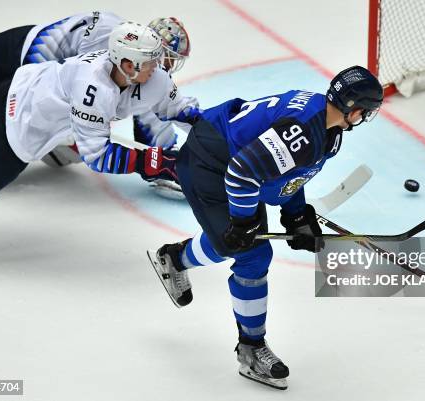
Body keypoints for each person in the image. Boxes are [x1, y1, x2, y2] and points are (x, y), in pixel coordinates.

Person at [148, 66, 383, 389]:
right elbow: (242, 173)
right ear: (355, 109)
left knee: (234, 241)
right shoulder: (306, 132)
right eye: (366, 112)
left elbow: (286, 171)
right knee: (251, 254)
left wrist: (297, 216)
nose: (364, 117)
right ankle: (251, 349)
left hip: (227, 156)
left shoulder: (323, 122)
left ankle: (174, 258)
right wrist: (245, 222)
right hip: (209, 164)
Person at [0, 21, 199, 211]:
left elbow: (182, 110)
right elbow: (97, 155)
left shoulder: (153, 77)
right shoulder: (92, 87)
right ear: (127, 65)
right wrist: (151, 162)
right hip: (15, 131)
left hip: (19, 87)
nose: (157, 67)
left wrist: (218, 132)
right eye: (150, 61)